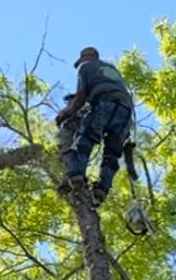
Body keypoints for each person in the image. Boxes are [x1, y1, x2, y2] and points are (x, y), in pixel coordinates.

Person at [55, 47, 133, 205]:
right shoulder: (111, 69)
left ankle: (76, 174)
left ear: (86, 56)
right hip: (125, 110)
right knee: (112, 152)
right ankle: (102, 189)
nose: (80, 64)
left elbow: (81, 97)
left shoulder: (86, 67)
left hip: (105, 103)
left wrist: (65, 114)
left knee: (86, 138)